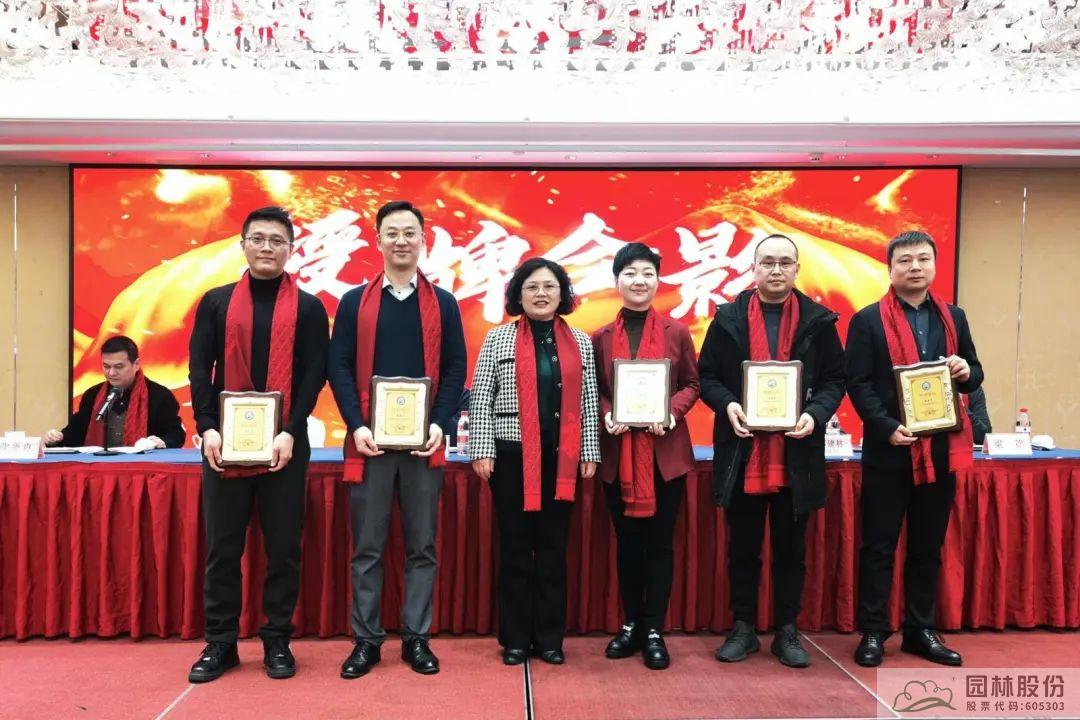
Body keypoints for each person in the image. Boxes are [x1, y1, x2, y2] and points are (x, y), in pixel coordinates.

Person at [186, 206, 329, 682]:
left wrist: (291, 429)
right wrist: (207, 425)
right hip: (223, 443)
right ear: (243, 244)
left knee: (283, 548)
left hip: (285, 445)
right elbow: (200, 367)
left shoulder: (309, 308)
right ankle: (221, 642)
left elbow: (314, 374)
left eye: (277, 240)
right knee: (223, 548)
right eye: (259, 238)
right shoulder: (215, 302)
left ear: (291, 249)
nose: (267, 247)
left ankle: (277, 640)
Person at [328, 200, 467, 679]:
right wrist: (356, 424)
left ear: (423, 239)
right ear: (378, 239)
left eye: (410, 232)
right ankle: (366, 641)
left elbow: (455, 367)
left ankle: (416, 638)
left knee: (422, 546)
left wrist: (441, 422)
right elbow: (338, 366)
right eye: (392, 232)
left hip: (423, 445)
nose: (401, 240)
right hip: (370, 443)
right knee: (367, 548)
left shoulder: (443, 303)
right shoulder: (354, 302)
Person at [698, 234, 845, 669]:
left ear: (797, 269)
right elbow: (708, 377)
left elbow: (836, 380)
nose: (776, 270)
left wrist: (815, 413)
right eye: (767, 262)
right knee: (742, 548)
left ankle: (786, 630)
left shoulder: (819, 322)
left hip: (797, 452)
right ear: (754, 268)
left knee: (791, 550)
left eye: (784, 263)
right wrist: (729, 405)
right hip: (742, 453)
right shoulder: (727, 319)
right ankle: (743, 627)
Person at [846, 230, 983, 668]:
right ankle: (873, 631)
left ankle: (919, 629)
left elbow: (975, 373)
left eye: (923, 259)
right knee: (879, 546)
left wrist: (965, 370)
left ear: (934, 265)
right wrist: (886, 427)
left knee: (928, 546)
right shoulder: (867, 320)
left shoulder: (953, 317)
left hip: (940, 451)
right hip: (890, 451)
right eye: (905, 260)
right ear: (890, 269)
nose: (915, 267)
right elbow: (858, 383)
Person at [469, 257, 600, 666]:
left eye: (549, 286)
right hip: (511, 457)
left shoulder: (581, 342)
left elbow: (588, 400)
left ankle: (549, 639)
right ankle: (514, 639)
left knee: (553, 549)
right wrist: (482, 448)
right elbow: (481, 396)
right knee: (515, 548)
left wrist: (589, 451)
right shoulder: (498, 338)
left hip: (562, 459)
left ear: (562, 294)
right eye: (532, 287)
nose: (541, 294)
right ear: (518, 294)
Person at [591, 243, 699, 670]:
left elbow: (692, 383)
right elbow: (596, 390)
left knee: (659, 544)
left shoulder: (677, 332)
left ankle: (654, 628)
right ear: (617, 281)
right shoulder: (600, 337)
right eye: (631, 273)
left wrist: (670, 413)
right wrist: (607, 413)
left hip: (664, 457)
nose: (639, 281)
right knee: (627, 544)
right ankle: (631, 624)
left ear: (658, 280)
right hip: (618, 456)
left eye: (648, 274)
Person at [45, 335, 184, 449]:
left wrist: (161, 441)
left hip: (143, 468)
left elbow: (176, 434)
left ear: (136, 364)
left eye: (119, 367)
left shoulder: (159, 396)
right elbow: (77, 431)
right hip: (100, 468)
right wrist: (59, 437)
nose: (111, 373)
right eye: (106, 366)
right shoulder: (93, 395)